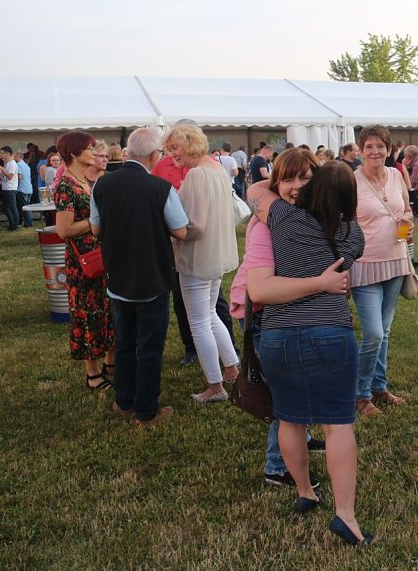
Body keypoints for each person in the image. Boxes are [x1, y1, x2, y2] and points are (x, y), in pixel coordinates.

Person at [247, 161, 371, 544]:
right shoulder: (353, 234)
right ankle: (345, 515)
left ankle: (305, 491)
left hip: (278, 335)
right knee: (337, 425)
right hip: (330, 332)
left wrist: (283, 188)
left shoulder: (283, 218)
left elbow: (254, 192)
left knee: (289, 418)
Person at [229, 148, 335, 487]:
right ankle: (278, 466)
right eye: (288, 178)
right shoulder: (267, 226)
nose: (297, 186)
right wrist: (321, 284)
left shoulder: (310, 214)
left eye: (305, 177)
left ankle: (298, 441)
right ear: (276, 184)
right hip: (260, 312)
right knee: (287, 390)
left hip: (284, 309)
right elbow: (260, 291)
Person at [90, 127, 188, 426]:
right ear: (154, 154)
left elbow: (95, 229)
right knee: (149, 345)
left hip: (118, 274)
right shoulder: (161, 188)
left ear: (128, 151)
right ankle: (146, 411)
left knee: (124, 341)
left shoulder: (102, 185)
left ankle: (124, 401)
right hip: (152, 278)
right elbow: (181, 230)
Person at [164, 123, 240, 402]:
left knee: (198, 321)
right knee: (210, 315)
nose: (172, 154)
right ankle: (231, 368)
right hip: (216, 253)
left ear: (190, 143)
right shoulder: (217, 169)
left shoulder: (197, 174)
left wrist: (169, 230)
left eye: (175, 147)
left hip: (197, 256)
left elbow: (193, 225)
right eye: (168, 149)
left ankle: (215, 386)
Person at [352, 126, 411, 417]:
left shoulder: (397, 175)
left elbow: (408, 208)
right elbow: (342, 224)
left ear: (389, 149)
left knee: (385, 332)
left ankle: (379, 387)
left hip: (396, 260)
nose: (375, 151)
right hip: (364, 265)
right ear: (360, 149)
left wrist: (407, 221)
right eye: (369, 146)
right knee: (373, 333)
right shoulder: (352, 181)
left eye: (381, 146)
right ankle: (360, 395)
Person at [54, 130, 115, 389]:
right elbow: (63, 230)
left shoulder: (84, 181)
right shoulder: (66, 185)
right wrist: (95, 221)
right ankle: (93, 374)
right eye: (89, 148)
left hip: (100, 255)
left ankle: (111, 364)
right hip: (83, 262)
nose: (94, 152)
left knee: (106, 310)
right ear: (74, 153)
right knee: (87, 315)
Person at [0, 146, 19, 231]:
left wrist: (1, 168)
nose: (1, 155)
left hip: (11, 189)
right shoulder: (7, 164)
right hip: (5, 188)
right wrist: (0, 177)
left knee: (13, 207)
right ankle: (12, 223)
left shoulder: (12, 164)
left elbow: (10, 176)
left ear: (8, 154)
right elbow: (5, 176)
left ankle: (15, 226)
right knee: (5, 208)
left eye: (3, 153)